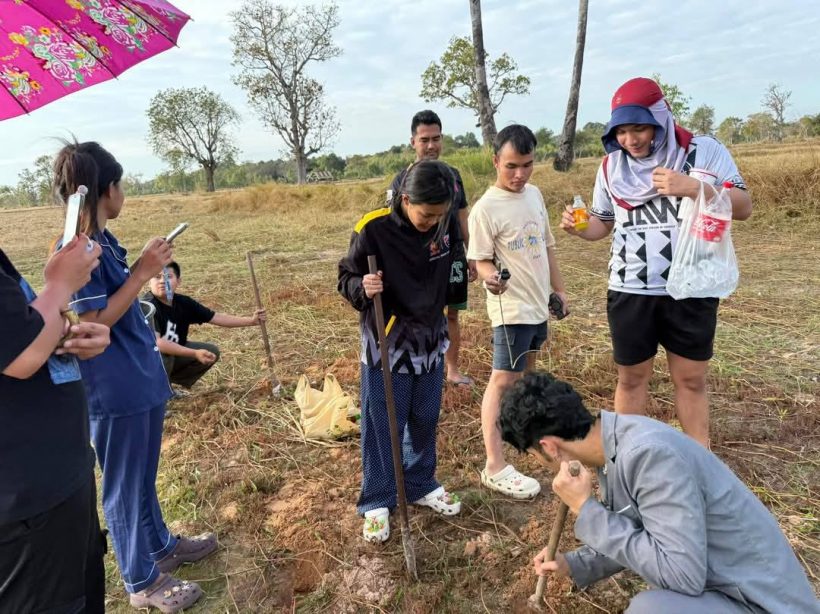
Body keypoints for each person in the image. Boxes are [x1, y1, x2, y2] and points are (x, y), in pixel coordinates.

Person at [499, 371, 819, 613]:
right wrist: (576, 564)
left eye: (535, 457)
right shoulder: (614, 445)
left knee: (652, 609)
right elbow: (644, 531)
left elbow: (681, 575)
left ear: (548, 447)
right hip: (729, 590)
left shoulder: (648, 455)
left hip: (763, 603)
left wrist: (588, 508)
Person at [54, 141, 216, 613]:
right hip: (113, 387)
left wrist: (139, 265)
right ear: (106, 190)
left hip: (137, 377)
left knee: (143, 476)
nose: (124, 193)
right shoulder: (76, 250)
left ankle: (160, 545)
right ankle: (141, 579)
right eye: (121, 184)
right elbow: (96, 320)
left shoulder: (104, 243)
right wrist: (144, 270)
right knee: (123, 485)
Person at [560, 77, 753, 447]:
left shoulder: (701, 152)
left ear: (660, 121)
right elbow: (603, 224)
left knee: (691, 379)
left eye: (639, 128)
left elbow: (743, 207)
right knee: (631, 378)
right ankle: (629, 463)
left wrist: (696, 187)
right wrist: (579, 229)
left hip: (691, 285)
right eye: (621, 131)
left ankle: (700, 463)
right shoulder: (611, 168)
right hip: (631, 287)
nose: (630, 140)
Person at [339, 160, 463, 542]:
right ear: (406, 199)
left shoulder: (446, 221)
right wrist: (364, 286)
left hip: (429, 337)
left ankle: (419, 483)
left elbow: (455, 264)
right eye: (426, 215)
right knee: (383, 424)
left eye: (439, 215)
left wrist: (461, 298)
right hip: (387, 342)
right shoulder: (372, 228)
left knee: (425, 416)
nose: (432, 222)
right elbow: (345, 277)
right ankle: (377, 499)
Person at [0, 237, 109, 613]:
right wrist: (60, 284)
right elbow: (20, 352)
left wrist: (64, 336)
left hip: (53, 489)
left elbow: (21, 330)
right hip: (27, 511)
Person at [467, 124, 568, 499]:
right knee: (502, 381)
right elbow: (479, 261)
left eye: (527, 165)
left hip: (537, 306)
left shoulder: (535, 195)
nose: (519, 174)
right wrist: (492, 278)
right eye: (511, 166)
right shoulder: (485, 209)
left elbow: (547, 247)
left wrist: (558, 290)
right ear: (496, 160)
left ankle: (526, 437)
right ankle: (494, 464)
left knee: (527, 377)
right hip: (510, 311)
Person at [388, 110, 477, 387]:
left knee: (451, 313)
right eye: (424, 139)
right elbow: (392, 227)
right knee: (421, 312)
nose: (431, 145)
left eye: (436, 138)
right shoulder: (401, 180)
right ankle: (421, 368)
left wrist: (472, 254)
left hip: (451, 256)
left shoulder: (453, 176)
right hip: (417, 262)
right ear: (412, 142)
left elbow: (462, 216)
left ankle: (451, 370)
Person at [142, 261, 266, 390]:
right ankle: (156, 393)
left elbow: (215, 317)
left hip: (173, 353)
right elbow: (157, 343)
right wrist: (194, 353)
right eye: (157, 277)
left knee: (211, 351)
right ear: (148, 281)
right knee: (162, 356)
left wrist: (251, 321)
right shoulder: (147, 306)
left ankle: (168, 383)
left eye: (168, 277)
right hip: (147, 358)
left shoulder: (183, 303)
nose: (162, 281)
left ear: (179, 281)